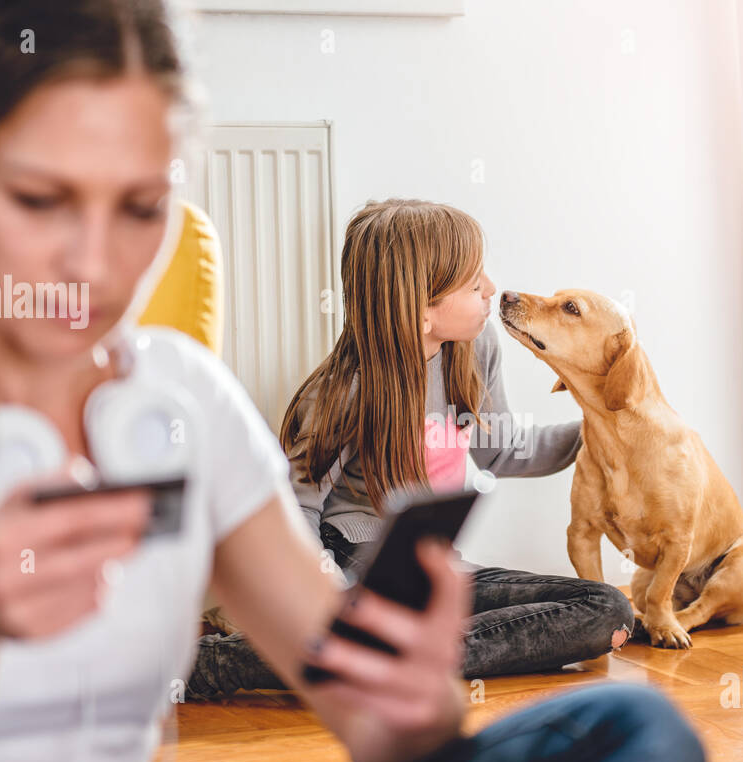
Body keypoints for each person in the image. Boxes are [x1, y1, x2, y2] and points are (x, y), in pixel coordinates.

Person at [0, 0, 705, 762]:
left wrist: (412, 689)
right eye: (40, 199)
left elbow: (369, 715)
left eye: (139, 206)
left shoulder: (180, 399)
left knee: (631, 731)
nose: (93, 264)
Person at [189, 199, 637, 699]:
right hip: (354, 567)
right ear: (422, 310)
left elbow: (505, 452)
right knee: (355, 634)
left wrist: (605, 426)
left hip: (437, 571)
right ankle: (216, 665)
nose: (491, 289)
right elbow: (295, 516)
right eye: (473, 284)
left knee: (608, 610)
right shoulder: (344, 390)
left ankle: (374, 659)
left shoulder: (476, 348)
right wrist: (335, 608)